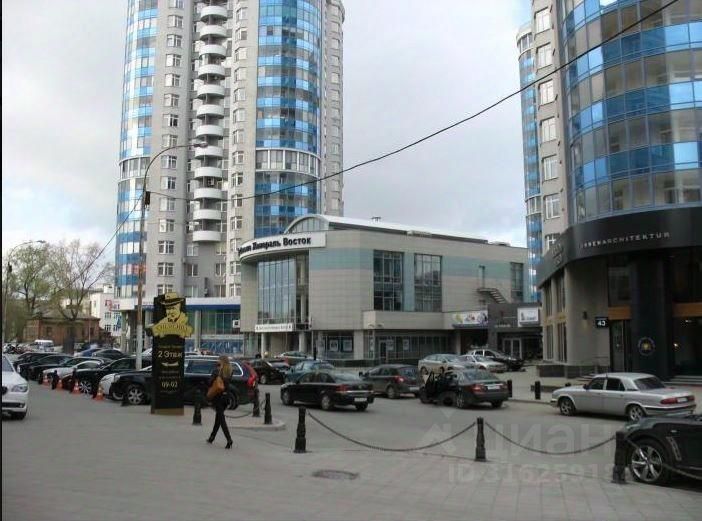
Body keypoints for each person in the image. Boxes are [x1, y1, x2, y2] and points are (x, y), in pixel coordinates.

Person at [206, 355, 233, 449]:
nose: (217, 361)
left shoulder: (216, 371)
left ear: (221, 361)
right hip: (226, 397)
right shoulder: (230, 371)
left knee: (221, 420)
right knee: (218, 418)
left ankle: (229, 439)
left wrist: (213, 377)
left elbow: (209, 382)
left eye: (218, 360)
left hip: (218, 398)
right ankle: (212, 437)